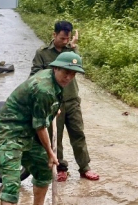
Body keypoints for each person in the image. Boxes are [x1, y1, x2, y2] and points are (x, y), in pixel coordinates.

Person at [0, 52, 85, 205]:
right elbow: (40, 125)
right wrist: (52, 153)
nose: (68, 77)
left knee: (43, 170)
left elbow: (44, 114)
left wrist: (53, 111)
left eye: (73, 74)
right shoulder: (44, 87)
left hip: (30, 131)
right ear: (56, 68)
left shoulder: (55, 84)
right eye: (65, 72)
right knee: (12, 183)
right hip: (11, 131)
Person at [30, 21, 99, 182]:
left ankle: (85, 167)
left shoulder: (71, 50)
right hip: (53, 101)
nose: (65, 41)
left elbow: (78, 68)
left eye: (67, 38)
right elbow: (35, 75)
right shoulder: (43, 53)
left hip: (72, 99)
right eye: (62, 38)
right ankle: (61, 167)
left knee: (78, 133)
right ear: (54, 35)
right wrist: (55, 71)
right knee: (55, 135)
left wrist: (73, 48)